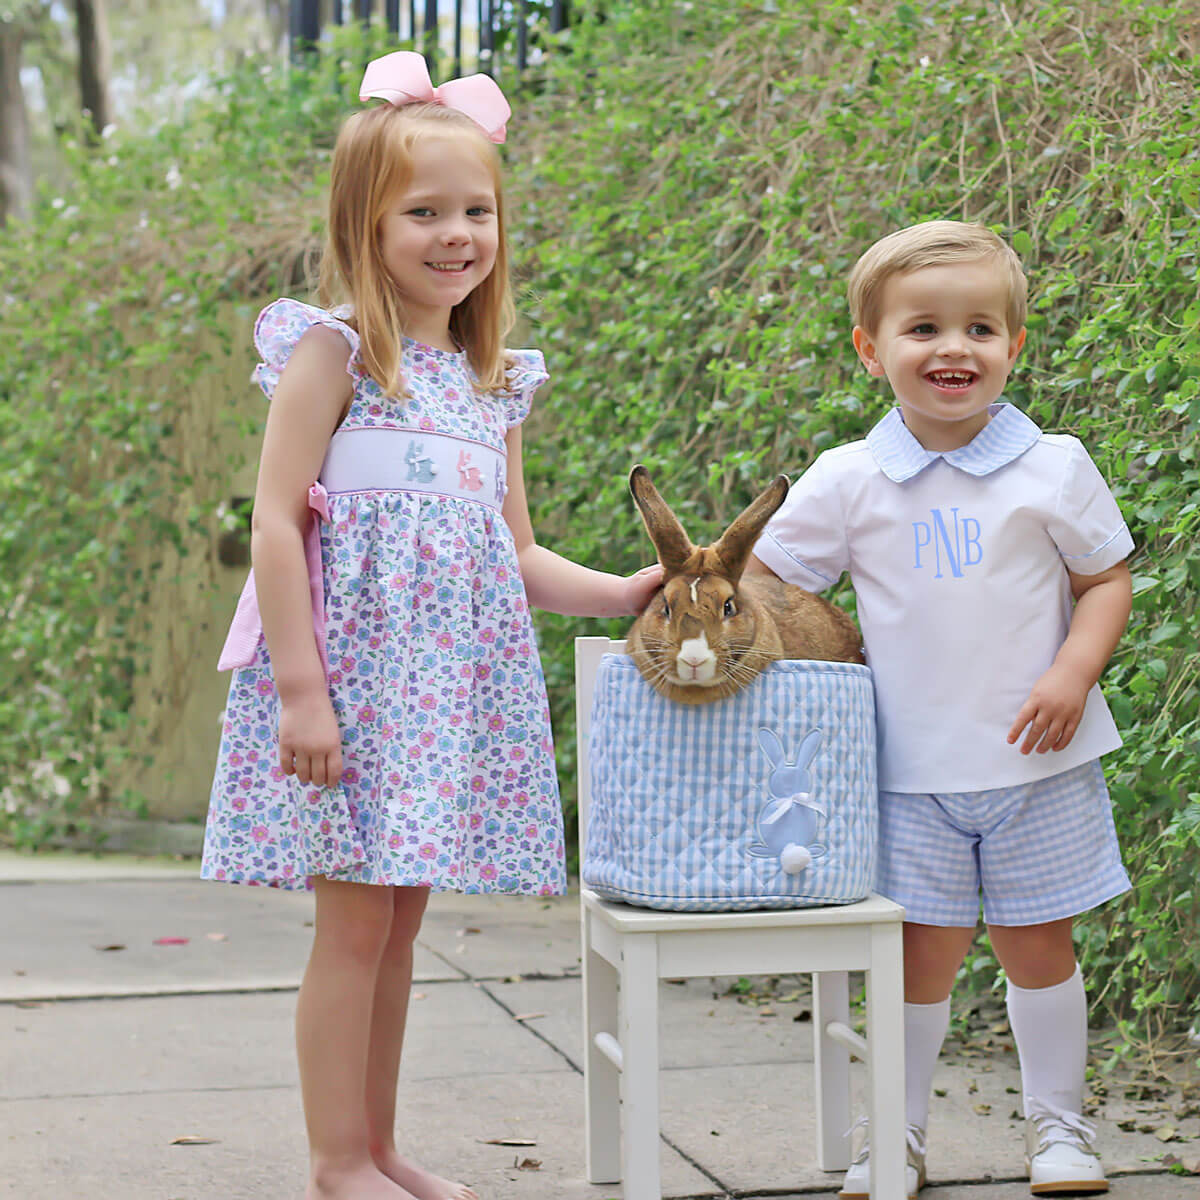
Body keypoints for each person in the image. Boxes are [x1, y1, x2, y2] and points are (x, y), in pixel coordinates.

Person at [201, 51, 661, 1200]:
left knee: (399, 932)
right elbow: (273, 522)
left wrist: (620, 592)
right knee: (354, 931)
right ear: (365, 225)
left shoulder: (491, 383)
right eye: (423, 213)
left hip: (437, 705)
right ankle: (334, 1162)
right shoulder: (335, 353)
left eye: (477, 212)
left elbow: (517, 554)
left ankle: (379, 1146)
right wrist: (301, 693)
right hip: (350, 698)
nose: (456, 235)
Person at [748, 220, 1133, 1199]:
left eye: (979, 329)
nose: (953, 348)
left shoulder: (1053, 464)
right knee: (916, 961)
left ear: (1013, 344)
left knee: (1039, 947)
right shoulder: (848, 477)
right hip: (906, 769)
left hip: (1037, 762)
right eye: (923, 328)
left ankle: (1059, 1129)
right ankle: (897, 1136)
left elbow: (1105, 580)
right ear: (870, 348)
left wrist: (1074, 671)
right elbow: (768, 583)